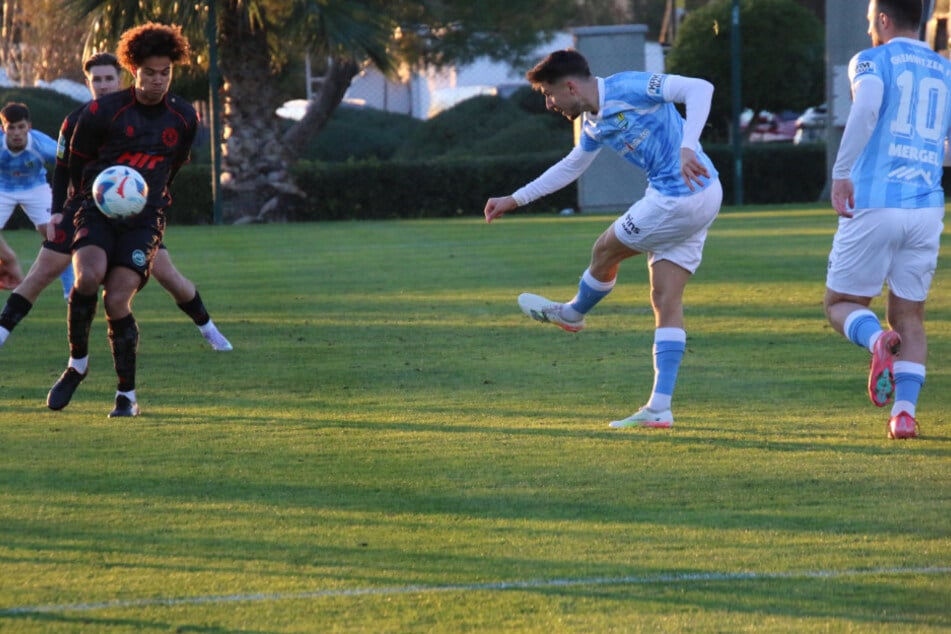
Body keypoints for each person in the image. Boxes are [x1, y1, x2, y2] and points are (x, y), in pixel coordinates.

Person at [482, 49, 722, 429]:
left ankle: (573, 314)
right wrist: (516, 198)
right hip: (703, 193)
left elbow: (700, 88)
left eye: (548, 93)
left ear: (571, 86)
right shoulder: (592, 123)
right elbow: (573, 165)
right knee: (665, 298)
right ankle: (659, 408)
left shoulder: (631, 85)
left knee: (604, 249)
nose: (549, 104)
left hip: (678, 196)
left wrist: (687, 146)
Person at [0, 52, 232, 354]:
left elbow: (163, 163)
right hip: (84, 210)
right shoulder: (75, 121)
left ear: (121, 78)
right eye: (97, 80)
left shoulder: (136, 115)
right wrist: (57, 212)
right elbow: (63, 168)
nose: (103, 85)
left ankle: (209, 329)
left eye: (109, 78)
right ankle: (4, 331)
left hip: (131, 214)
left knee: (168, 274)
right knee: (42, 272)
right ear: (88, 83)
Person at [46, 22, 201, 417]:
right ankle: (77, 364)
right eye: (150, 72)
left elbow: (173, 167)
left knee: (117, 299)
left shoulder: (183, 116)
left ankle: (126, 396)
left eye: (165, 72)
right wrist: (63, 209)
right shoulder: (102, 112)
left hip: (145, 220)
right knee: (86, 277)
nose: (158, 80)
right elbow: (70, 166)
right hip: (96, 211)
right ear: (134, 70)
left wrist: (149, 201)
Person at [825, 0, 951, 440]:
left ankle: (875, 340)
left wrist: (842, 173)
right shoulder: (944, 69)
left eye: (868, 22)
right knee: (911, 316)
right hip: (926, 208)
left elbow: (866, 109)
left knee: (841, 304)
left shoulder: (872, 60)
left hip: (876, 201)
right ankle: (903, 415)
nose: (867, 31)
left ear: (882, 20)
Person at [0, 102, 73, 298]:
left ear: (29, 127)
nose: (16, 132)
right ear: (3, 128)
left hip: (35, 188)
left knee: (57, 235)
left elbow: (69, 163)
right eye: (11, 128)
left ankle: (71, 292)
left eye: (21, 127)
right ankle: (10, 259)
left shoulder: (43, 145)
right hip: (2, 188)